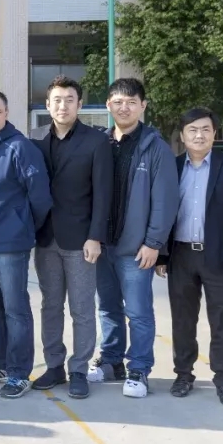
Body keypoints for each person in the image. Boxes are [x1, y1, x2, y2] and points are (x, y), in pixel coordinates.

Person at [155, 108, 223, 407]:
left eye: (205, 129)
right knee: (183, 319)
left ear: (214, 134)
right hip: (181, 255)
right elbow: (161, 212)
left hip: (219, 256)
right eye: (193, 130)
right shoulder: (172, 167)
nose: (199, 135)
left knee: (222, 320)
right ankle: (183, 374)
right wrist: (162, 255)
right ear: (183, 135)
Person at [88, 78, 179, 398]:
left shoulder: (155, 147)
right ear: (108, 105)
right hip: (103, 245)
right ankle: (111, 361)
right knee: (107, 308)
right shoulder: (100, 143)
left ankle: (139, 368)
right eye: (117, 101)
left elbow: (165, 200)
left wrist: (154, 243)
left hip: (135, 248)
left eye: (131, 102)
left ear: (143, 106)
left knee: (138, 312)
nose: (123, 108)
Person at [28, 76, 113, 400]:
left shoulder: (96, 141)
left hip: (80, 240)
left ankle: (79, 369)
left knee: (81, 308)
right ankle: (54, 366)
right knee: (50, 305)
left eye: (69, 100)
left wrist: (96, 237)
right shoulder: (35, 138)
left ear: (79, 104)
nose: (62, 106)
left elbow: (103, 194)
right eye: (57, 100)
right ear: (47, 105)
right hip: (44, 238)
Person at [0, 91, 52, 399]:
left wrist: (23, 225)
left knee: (15, 309)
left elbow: (40, 198)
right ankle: (0, 363)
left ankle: (18, 372)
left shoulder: (21, 147)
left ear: (6, 113)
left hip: (11, 243)